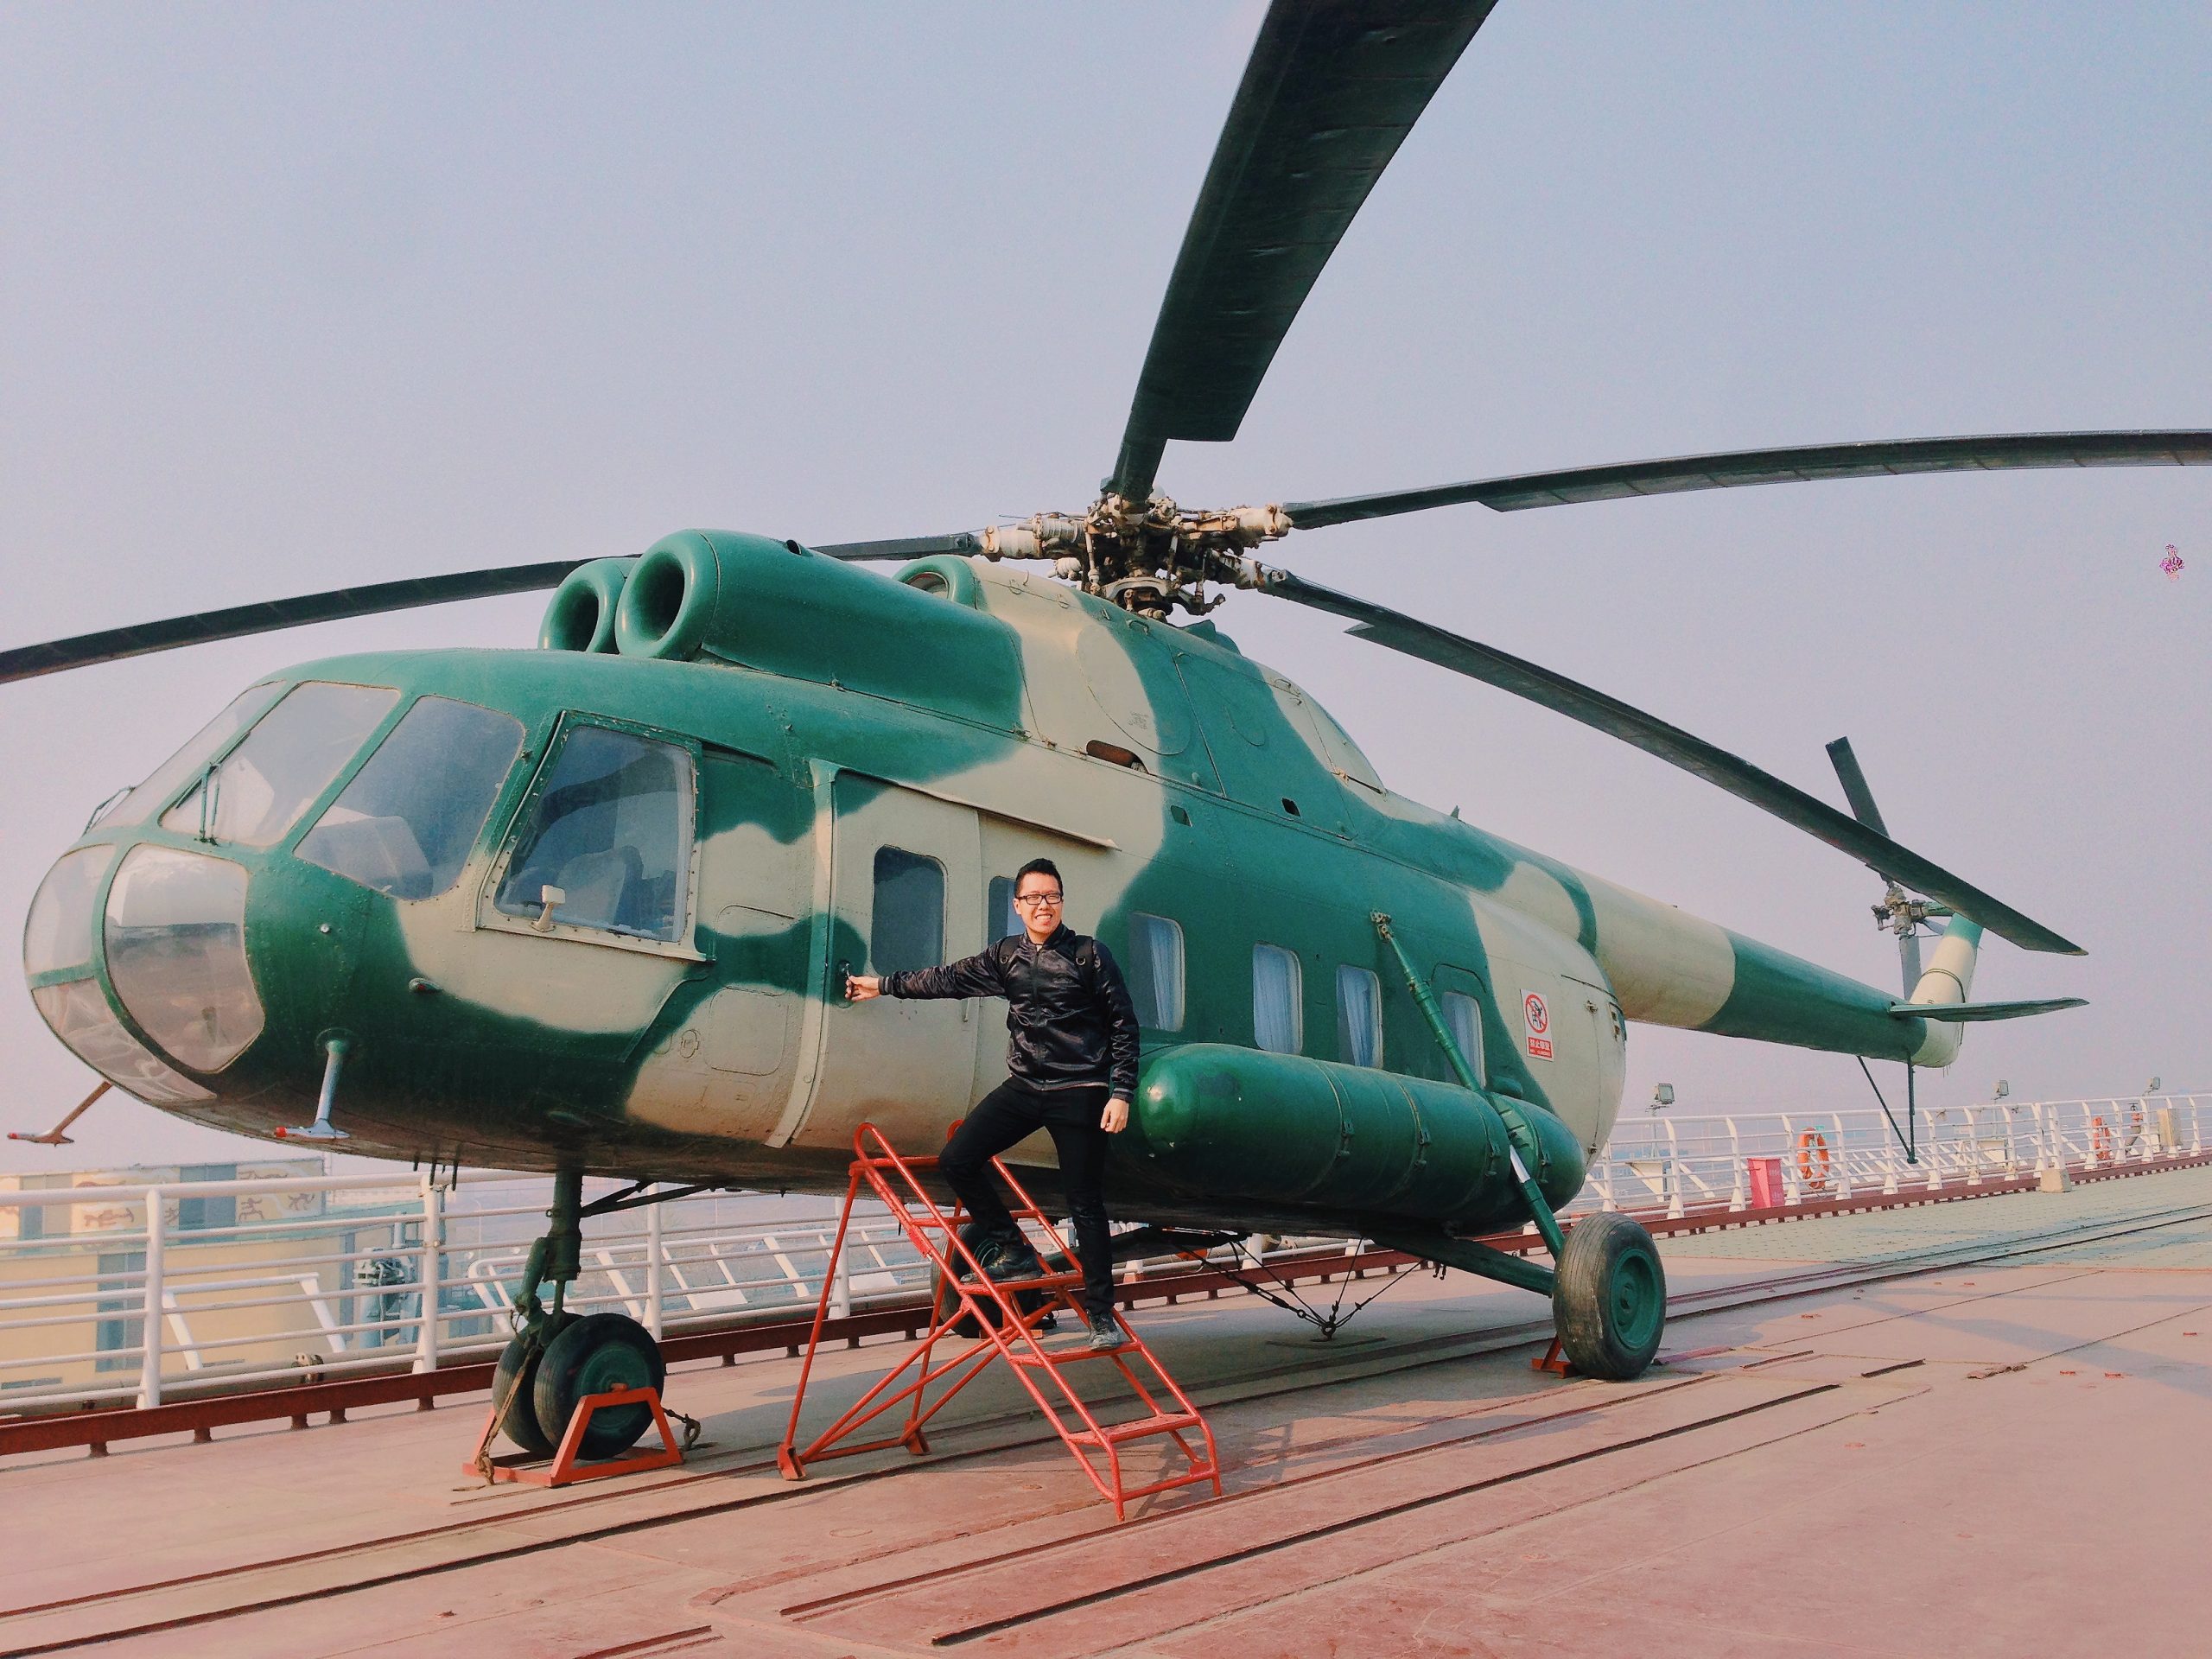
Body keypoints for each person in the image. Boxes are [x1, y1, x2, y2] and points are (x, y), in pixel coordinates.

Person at [846, 857, 1139, 1351]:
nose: (1042, 906)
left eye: (1051, 897)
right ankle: (1012, 1247)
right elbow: (947, 979)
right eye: (1033, 898)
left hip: (1079, 1091)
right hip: (1025, 1087)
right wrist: (882, 985)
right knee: (957, 1159)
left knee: (1085, 1204)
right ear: (1018, 906)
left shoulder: (1090, 955)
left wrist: (1121, 1092)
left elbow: (1124, 1026)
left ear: (1061, 902)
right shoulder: (1007, 957)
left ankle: (1101, 1317)